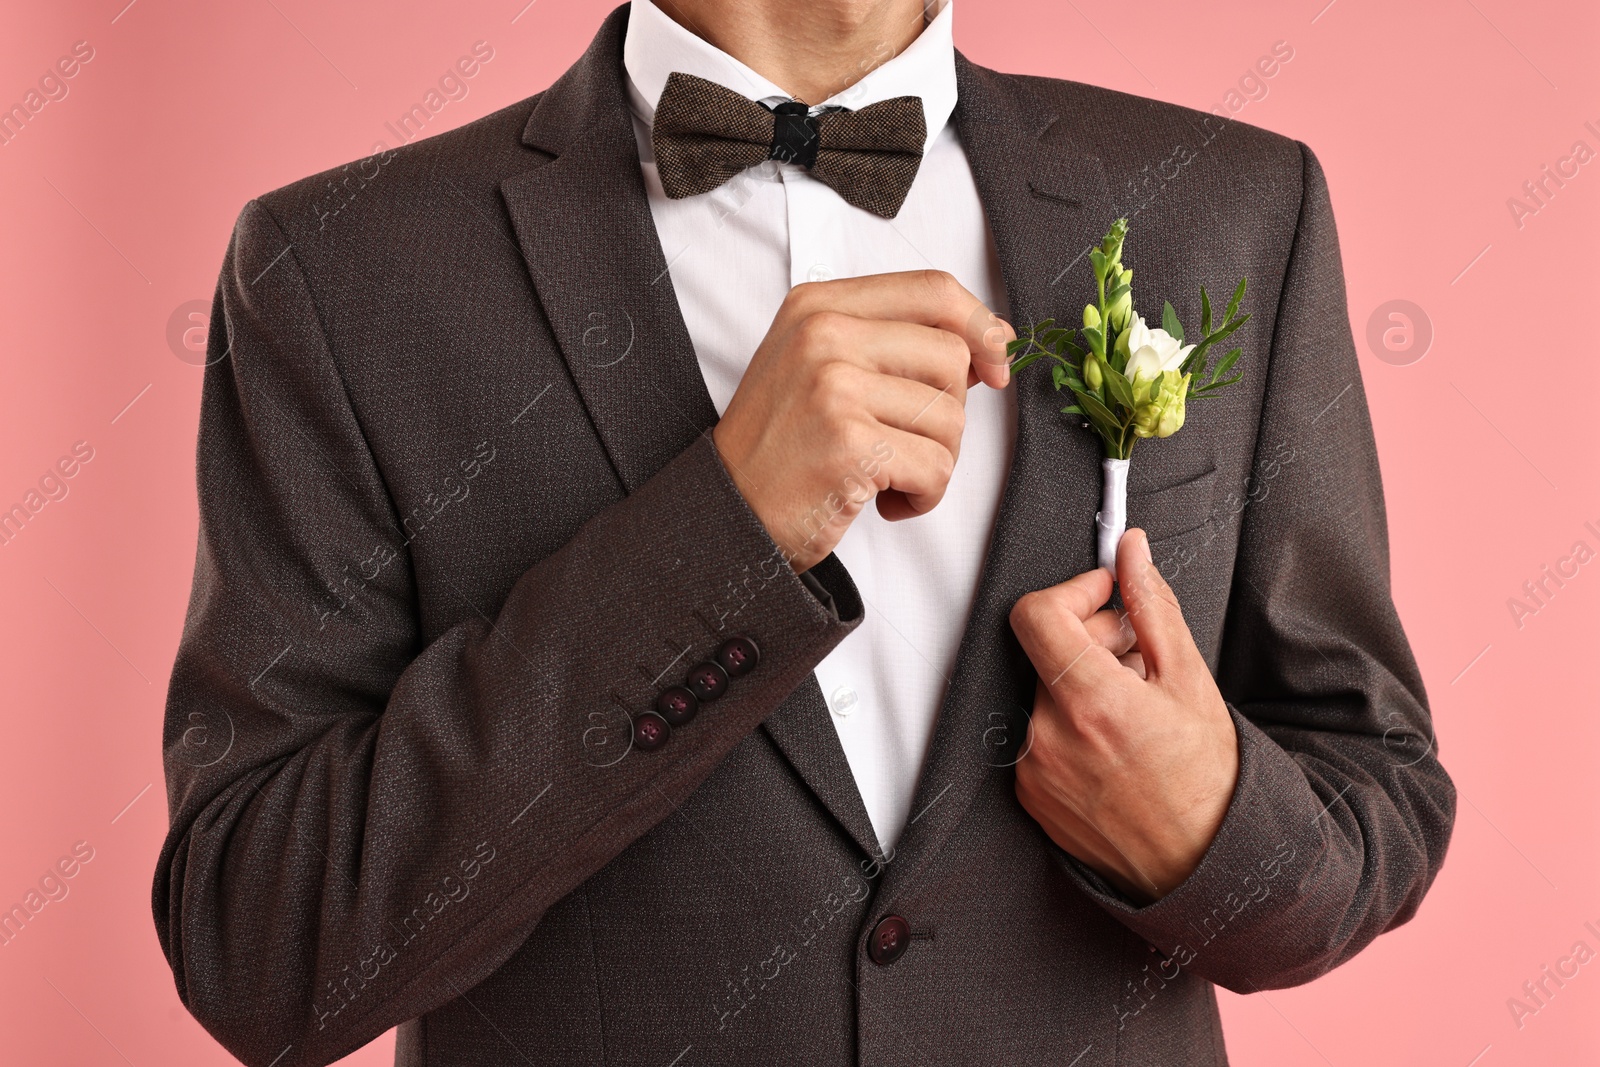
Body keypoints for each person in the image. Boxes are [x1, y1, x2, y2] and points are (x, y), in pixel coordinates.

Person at [153, 1, 1455, 1064]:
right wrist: (722, 536)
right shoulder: (337, 269)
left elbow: (1378, 795)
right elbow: (262, 946)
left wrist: (1209, 828)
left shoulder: (1232, 207)